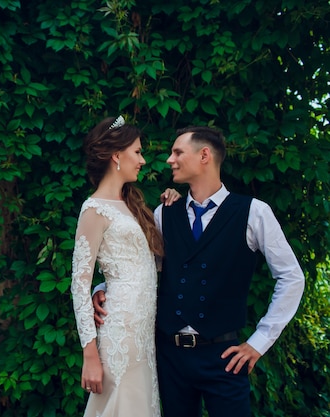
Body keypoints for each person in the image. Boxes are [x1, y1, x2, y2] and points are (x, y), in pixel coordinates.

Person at [92, 126, 305, 417]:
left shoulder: (254, 212)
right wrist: (103, 288)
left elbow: (292, 277)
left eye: (177, 152)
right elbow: (143, 268)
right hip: (170, 357)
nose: (169, 160)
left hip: (224, 358)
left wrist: (259, 342)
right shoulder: (164, 213)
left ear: (204, 155)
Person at [71, 115, 179, 417]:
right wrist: (89, 354)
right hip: (120, 333)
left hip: (144, 332)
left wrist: (174, 204)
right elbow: (78, 284)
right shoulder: (93, 210)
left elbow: (150, 265)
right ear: (116, 156)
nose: (142, 160)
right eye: (137, 152)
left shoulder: (133, 205)